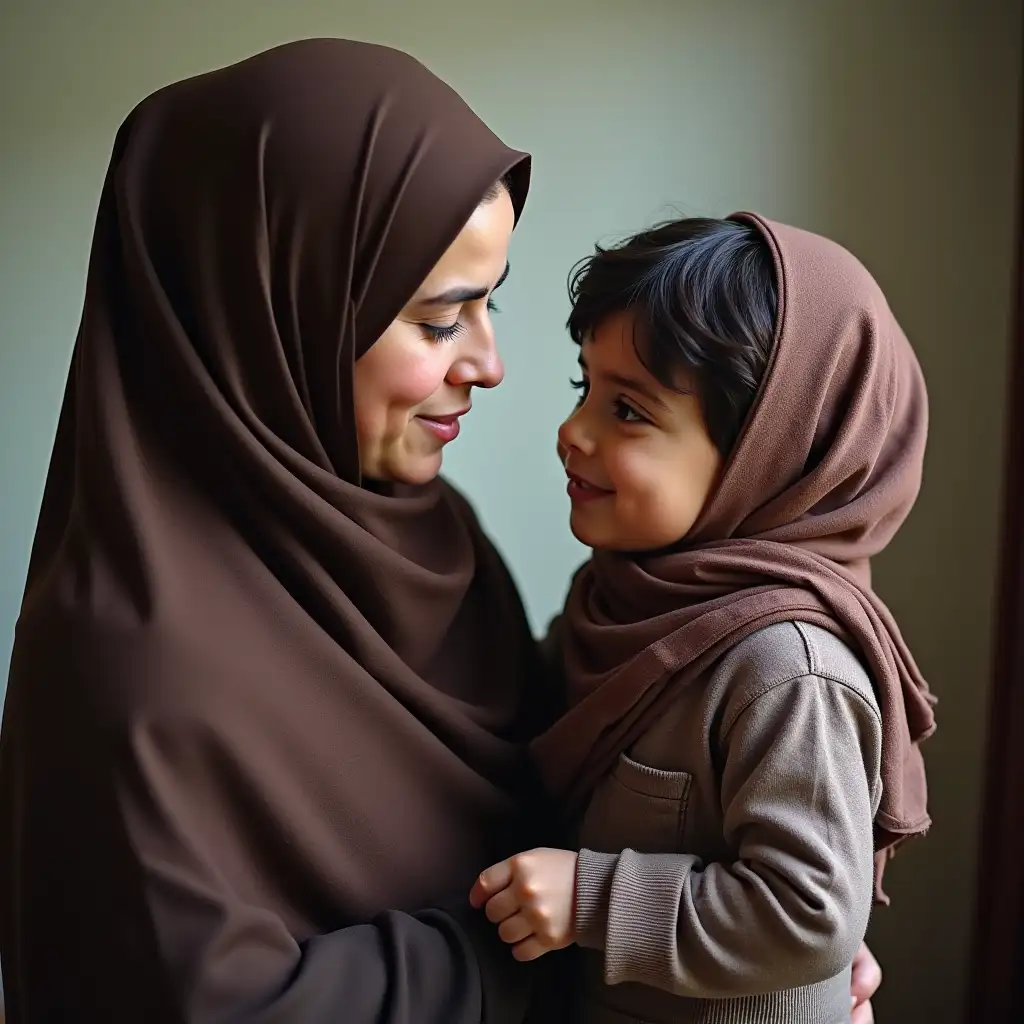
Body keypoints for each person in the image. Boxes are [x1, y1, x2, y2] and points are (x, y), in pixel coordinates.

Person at [0, 40, 884, 1023]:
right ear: (274, 309)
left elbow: (610, 807)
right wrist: (558, 952)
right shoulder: (123, 663)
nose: (490, 364)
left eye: (489, 304)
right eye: (439, 319)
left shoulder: (441, 550)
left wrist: (767, 955)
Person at [471, 217, 934, 1023]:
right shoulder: (622, 602)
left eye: (629, 412)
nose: (571, 433)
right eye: (587, 389)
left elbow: (809, 914)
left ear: (768, 454)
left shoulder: (788, 668)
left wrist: (593, 898)